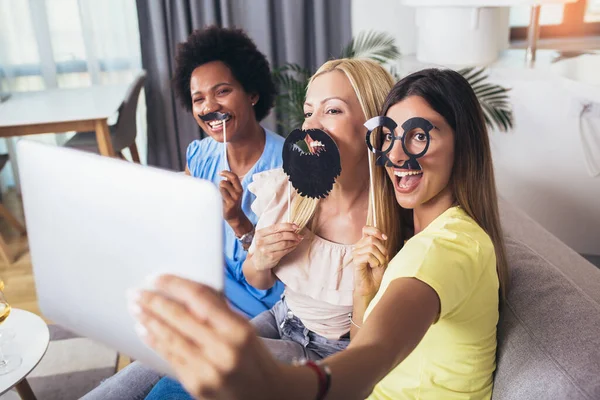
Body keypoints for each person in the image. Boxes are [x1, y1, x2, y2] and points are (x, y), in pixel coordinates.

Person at [130, 68, 509, 400]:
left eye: (420, 136)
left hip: (326, 358)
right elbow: (367, 341)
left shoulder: (431, 243)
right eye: (391, 136)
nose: (396, 155)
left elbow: (374, 352)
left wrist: (283, 385)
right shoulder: (298, 192)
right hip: (286, 322)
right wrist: (247, 236)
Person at [144, 59, 396, 399]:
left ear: (375, 125)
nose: (312, 125)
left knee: (188, 368)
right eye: (308, 113)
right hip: (279, 317)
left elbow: (367, 351)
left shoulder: (390, 221)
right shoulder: (292, 191)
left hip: (328, 353)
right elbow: (258, 279)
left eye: (332, 111)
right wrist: (259, 256)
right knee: (152, 365)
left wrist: (365, 291)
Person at [81, 25, 283, 400]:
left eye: (222, 91)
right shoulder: (201, 153)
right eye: (199, 99)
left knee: (161, 391)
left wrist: (238, 220)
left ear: (253, 92)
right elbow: (181, 226)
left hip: (257, 314)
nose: (209, 107)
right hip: (201, 293)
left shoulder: (287, 168)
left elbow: (270, 283)